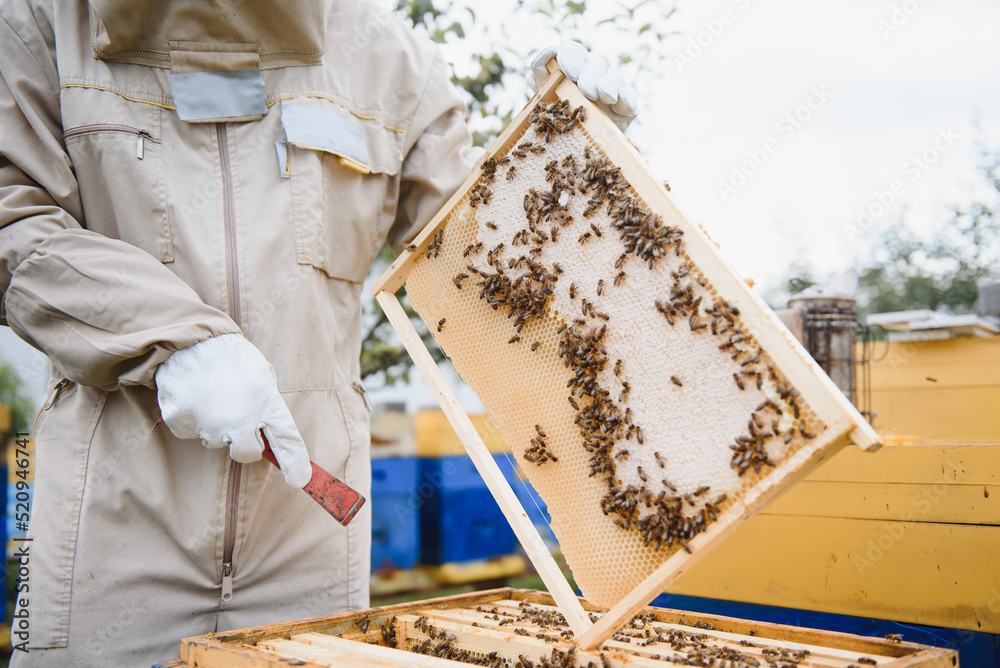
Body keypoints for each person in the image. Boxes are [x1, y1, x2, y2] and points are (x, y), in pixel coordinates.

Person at [0, 1, 637, 664]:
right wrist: (165, 336)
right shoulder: (38, 26)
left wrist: (568, 160)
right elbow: (12, 217)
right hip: (108, 527)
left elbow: (480, 267)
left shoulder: (394, 61)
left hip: (308, 538)